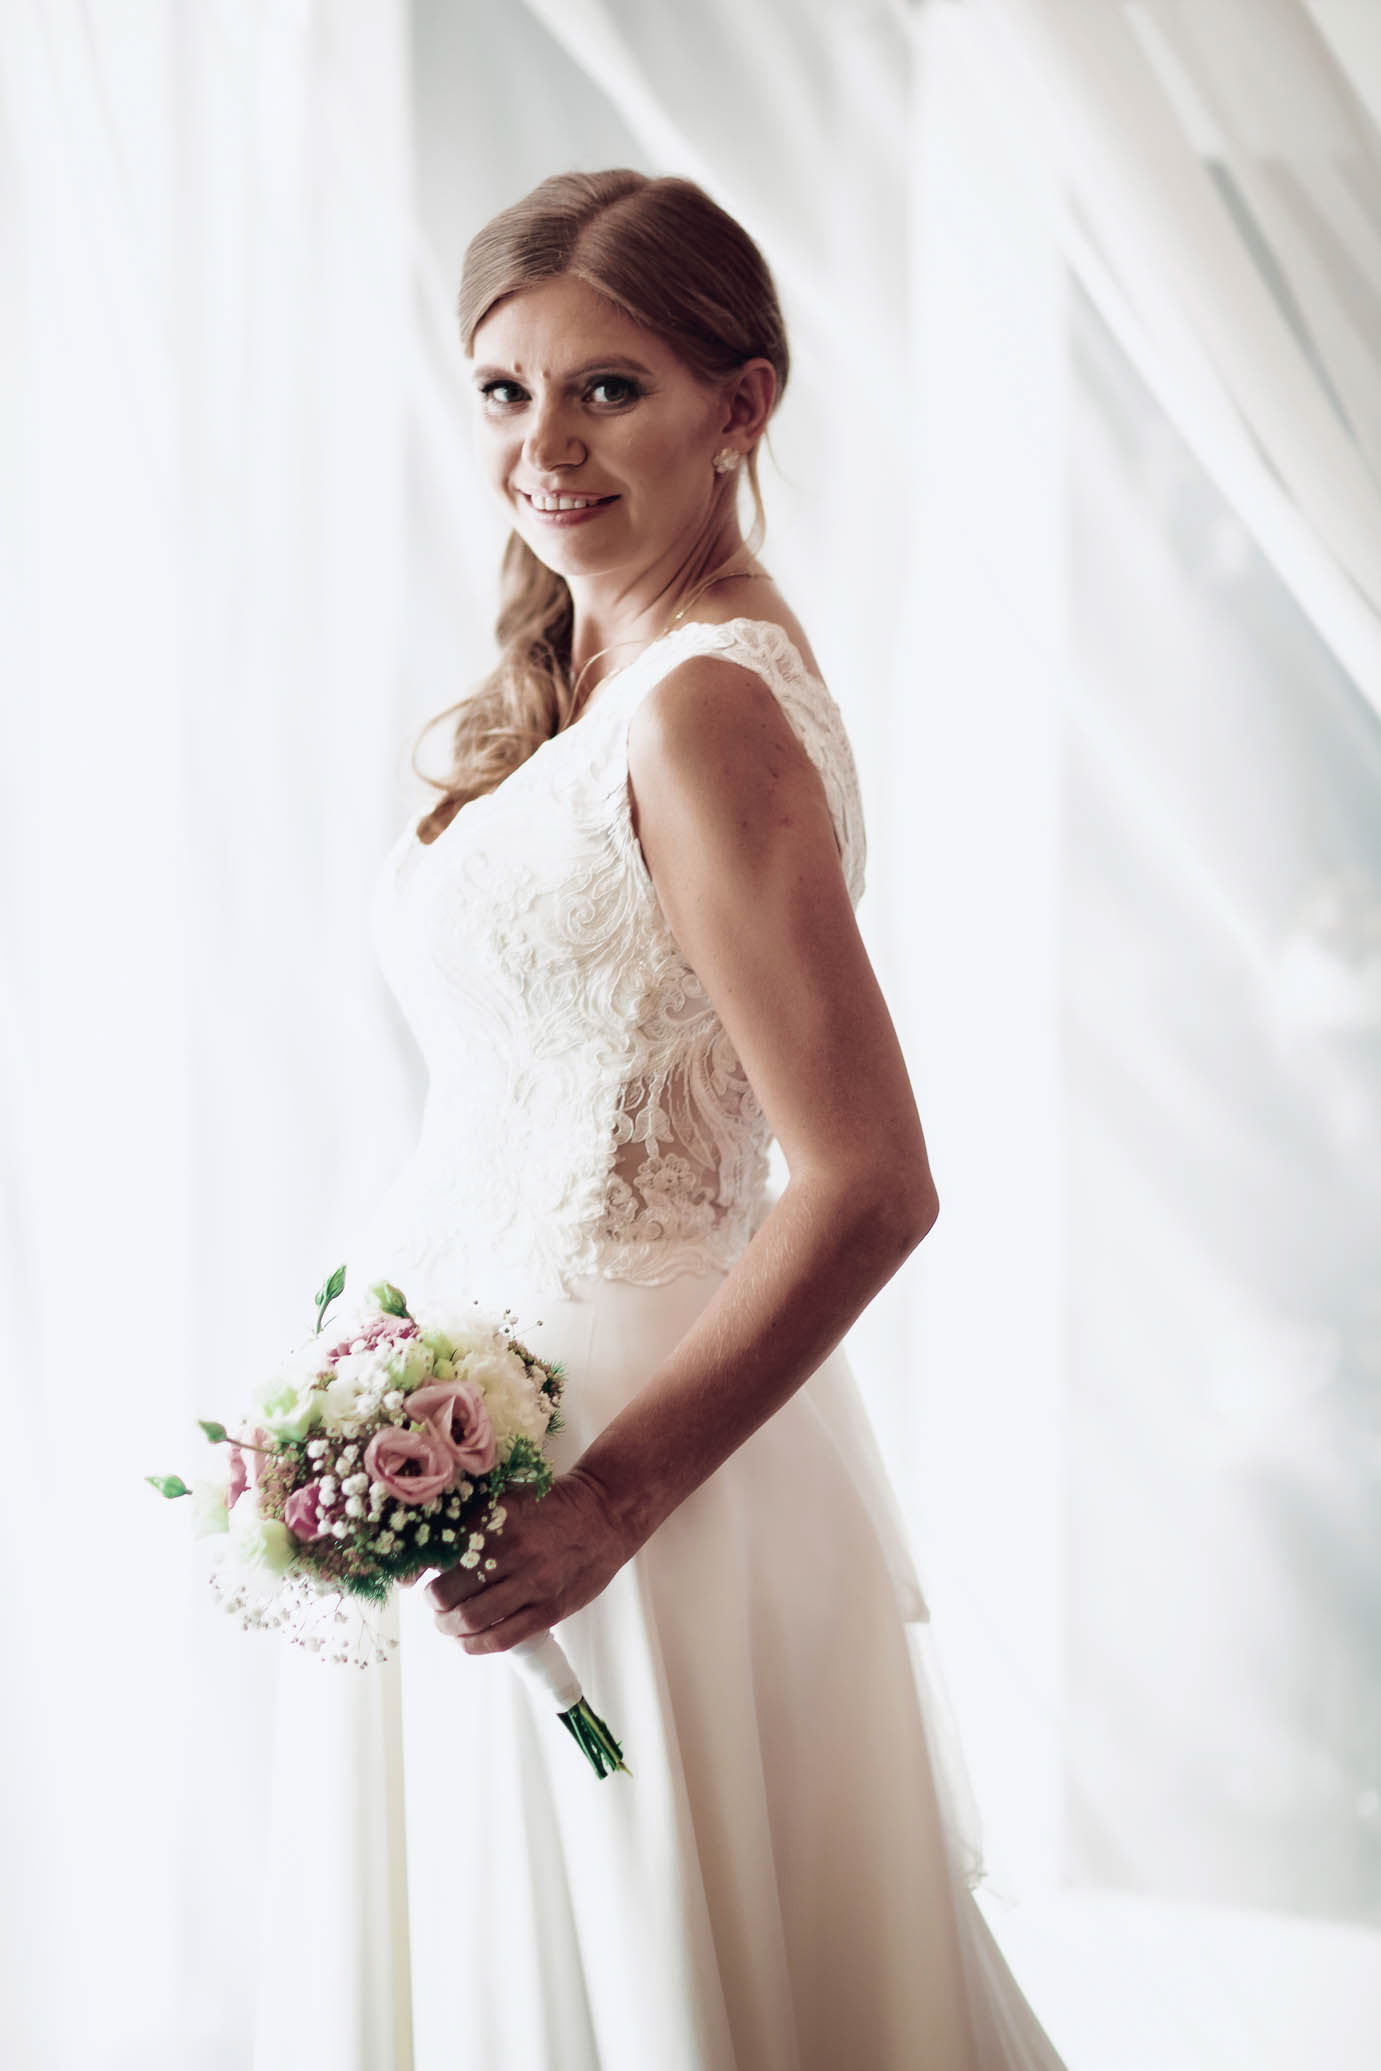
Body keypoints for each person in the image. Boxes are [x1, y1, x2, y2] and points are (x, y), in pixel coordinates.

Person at [339, 168, 1068, 2070]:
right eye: (506, 391)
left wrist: (606, 1502)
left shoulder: (701, 707)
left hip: (631, 1470)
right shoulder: (601, 678)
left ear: (740, 406)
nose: (545, 445)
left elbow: (870, 1180)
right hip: (489, 1450)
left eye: (611, 388)